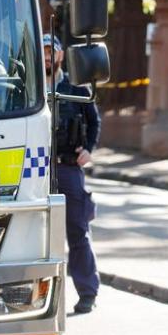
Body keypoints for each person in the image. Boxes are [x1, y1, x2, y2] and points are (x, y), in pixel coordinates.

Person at [45, 34, 101, 314]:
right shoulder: (27, 88)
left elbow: (93, 121)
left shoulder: (75, 87)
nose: (46, 57)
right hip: (35, 167)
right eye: (42, 51)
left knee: (77, 230)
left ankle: (87, 292)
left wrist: (88, 149)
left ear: (60, 56)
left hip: (67, 167)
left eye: (50, 52)